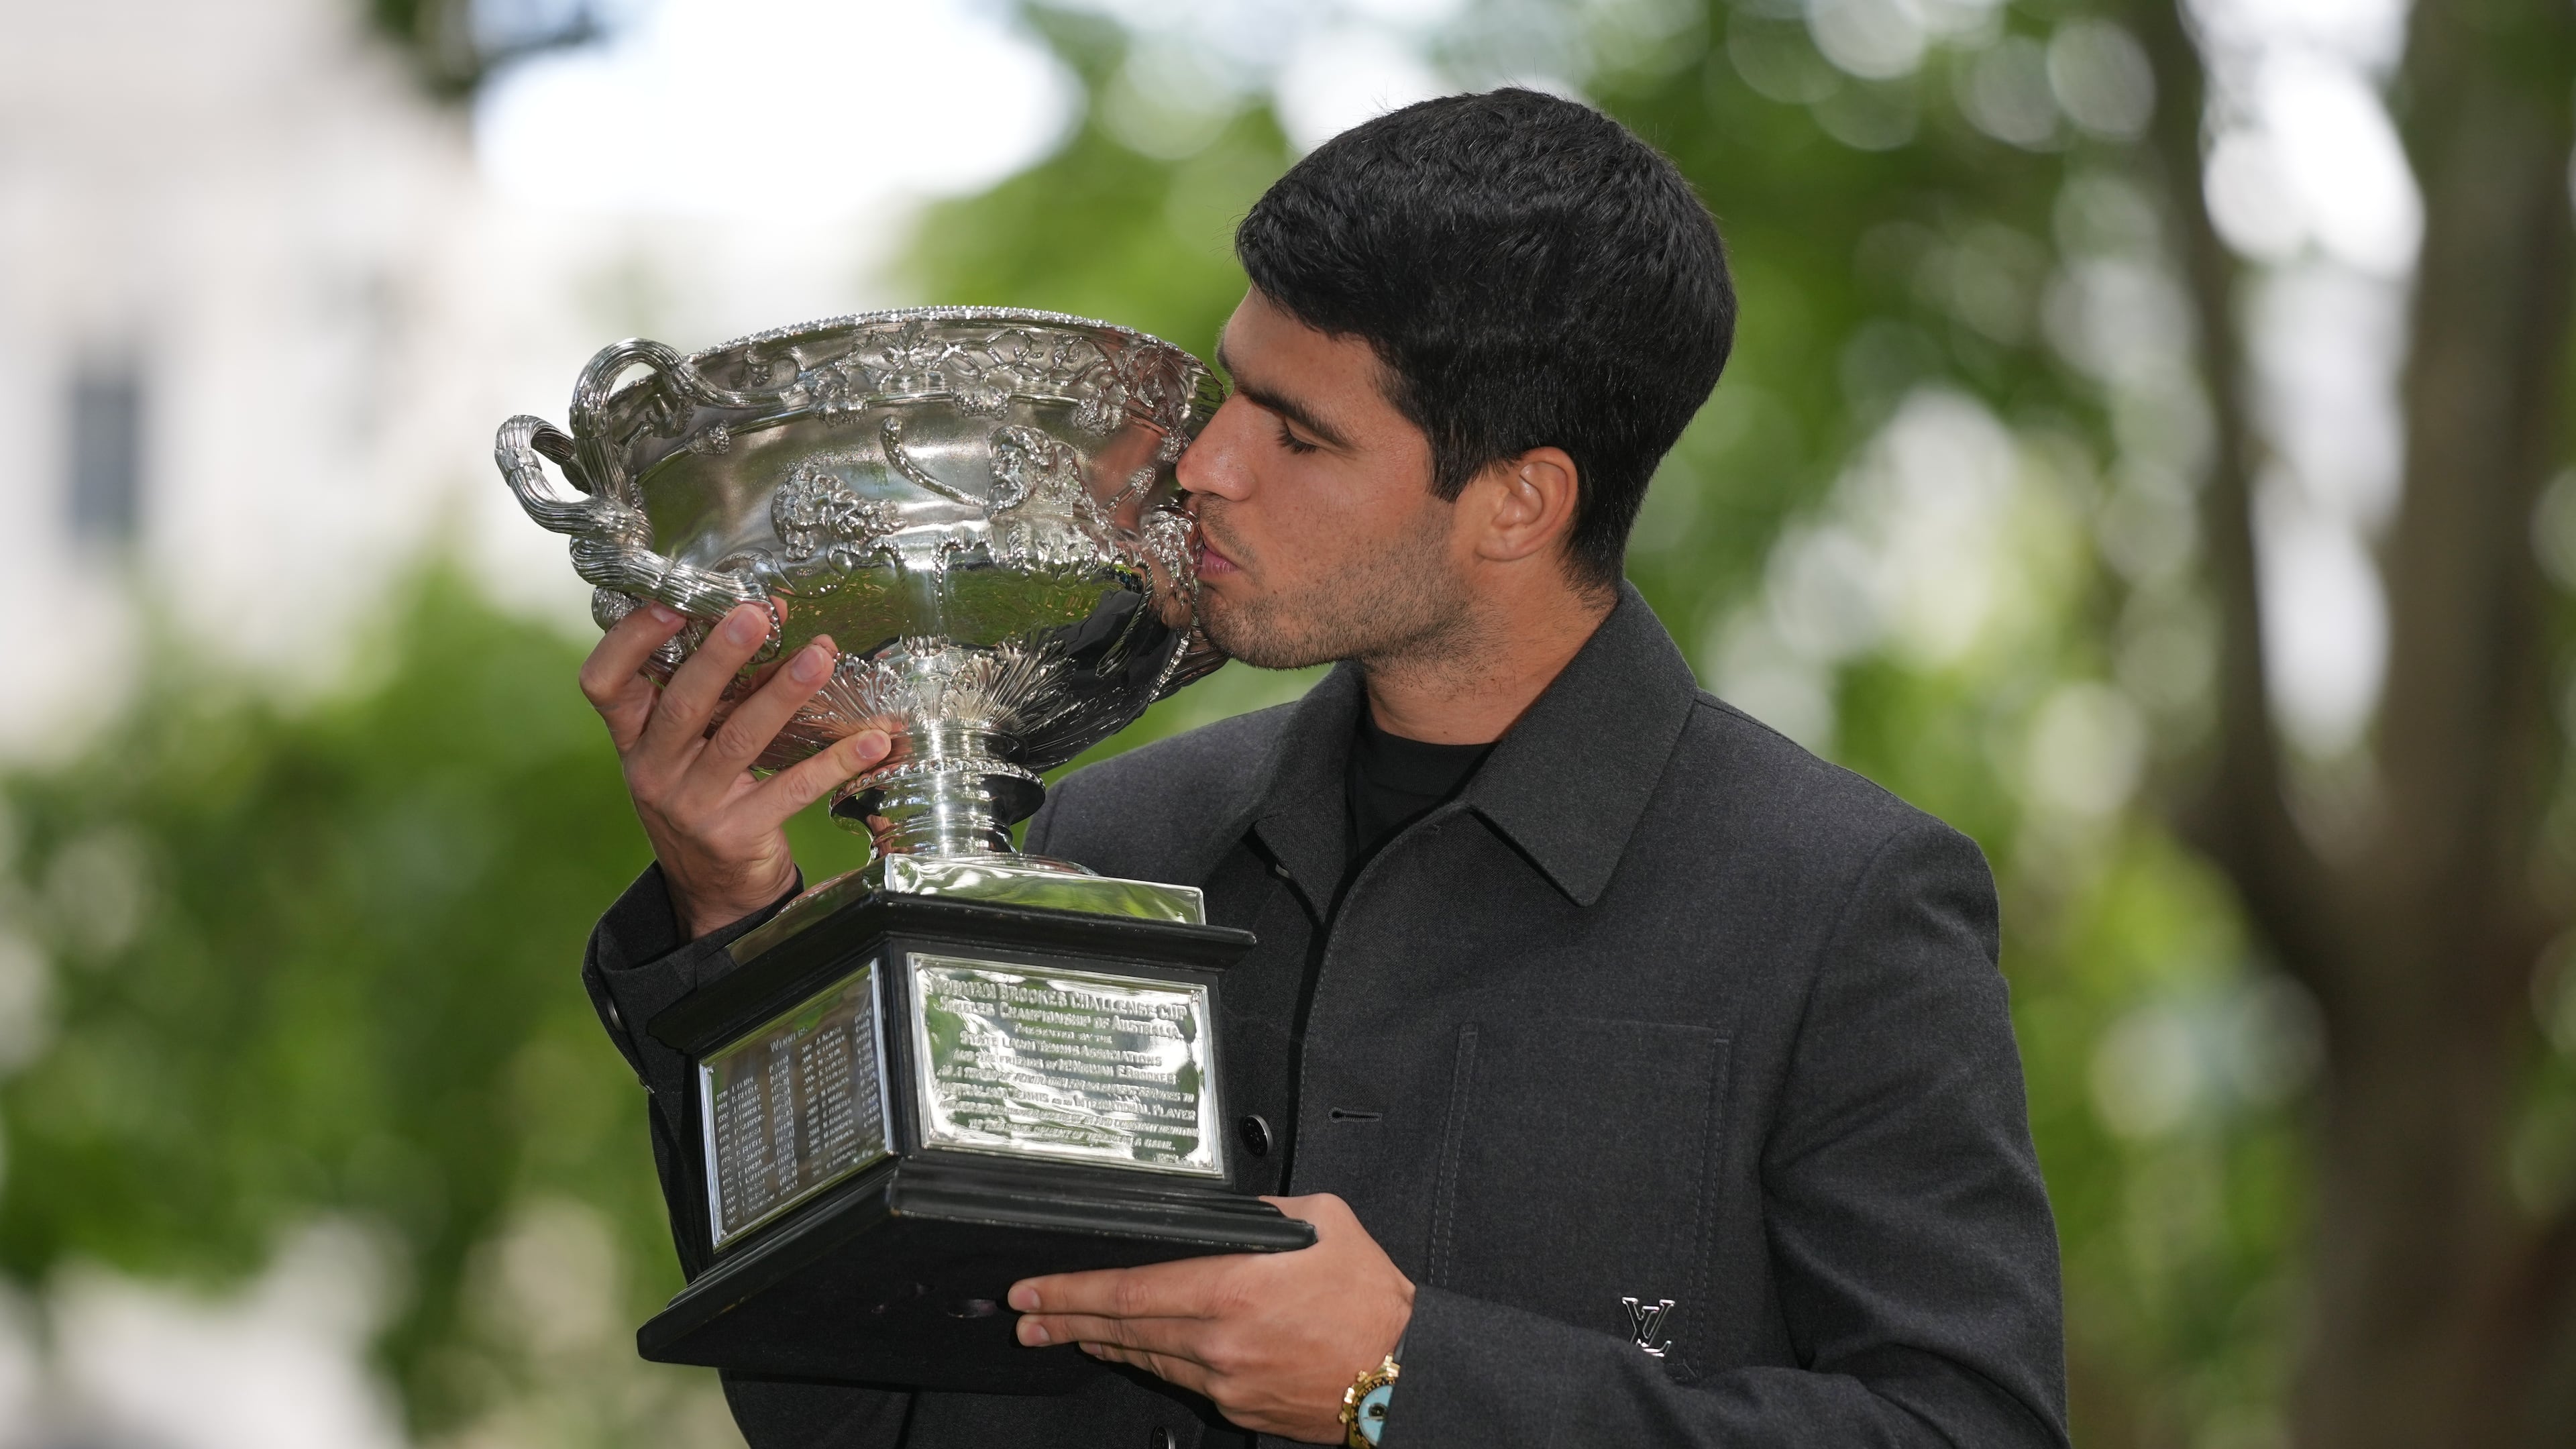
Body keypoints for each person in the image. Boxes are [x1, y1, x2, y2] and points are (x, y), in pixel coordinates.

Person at [576, 89, 2068, 1449]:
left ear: (1516, 503)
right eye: (1231, 390)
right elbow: (863, 1415)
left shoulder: (1840, 903)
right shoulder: (1110, 838)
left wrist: (1409, 1381)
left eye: (1297, 433)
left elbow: (1968, 1432)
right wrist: (737, 941)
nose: (1207, 464)